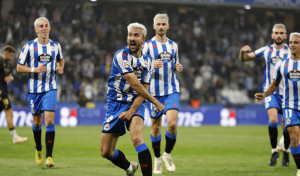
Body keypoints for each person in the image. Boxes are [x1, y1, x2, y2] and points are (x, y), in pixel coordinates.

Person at [100, 22, 165, 176]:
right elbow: (135, 83)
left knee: (136, 137)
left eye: (136, 35)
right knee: (105, 152)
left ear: (143, 39)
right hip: (115, 103)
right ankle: (129, 167)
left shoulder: (148, 61)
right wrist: (155, 101)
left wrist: (132, 111)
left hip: (136, 101)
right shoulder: (121, 56)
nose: (132, 38)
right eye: (130, 35)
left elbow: (143, 89)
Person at [239, 23, 290, 166]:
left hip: (287, 93)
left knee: (286, 125)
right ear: (272, 35)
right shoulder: (266, 50)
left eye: (281, 33)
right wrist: (242, 51)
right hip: (270, 92)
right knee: (273, 120)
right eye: (276, 33)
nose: (279, 35)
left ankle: (285, 150)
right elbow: (244, 59)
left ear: (285, 36)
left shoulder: (291, 51)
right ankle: (274, 151)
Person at [16, 17, 64, 167]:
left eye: (46, 26)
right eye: (40, 26)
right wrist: (33, 69)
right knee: (37, 123)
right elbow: (19, 67)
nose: (44, 28)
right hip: (34, 90)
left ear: (50, 28)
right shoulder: (29, 46)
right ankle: (38, 150)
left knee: (49, 121)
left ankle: (49, 157)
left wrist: (61, 68)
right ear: (36, 30)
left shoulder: (56, 46)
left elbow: (61, 60)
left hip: (50, 88)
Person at [143, 13, 183, 174]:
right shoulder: (147, 46)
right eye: (158, 24)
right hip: (153, 93)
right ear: (154, 27)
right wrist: (151, 64)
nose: (160, 27)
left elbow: (175, 64)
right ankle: (158, 158)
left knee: (172, 125)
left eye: (163, 24)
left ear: (168, 26)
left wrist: (177, 67)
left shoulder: (174, 45)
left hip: (171, 89)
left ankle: (167, 154)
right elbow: (140, 66)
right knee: (156, 128)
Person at [255, 32, 300, 176]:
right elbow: (274, 84)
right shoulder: (282, 64)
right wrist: (264, 94)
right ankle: (299, 168)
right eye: (291, 42)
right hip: (289, 106)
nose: (292, 45)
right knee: (294, 136)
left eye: (296, 42)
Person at [0, 45, 28, 144]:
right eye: (11, 56)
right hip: (1, 92)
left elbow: (9, 76)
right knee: (9, 112)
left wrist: (10, 78)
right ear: (6, 53)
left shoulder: (7, 65)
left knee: (9, 112)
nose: (12, 58)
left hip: (4, 90)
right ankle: (15, 137)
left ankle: (15, 137)